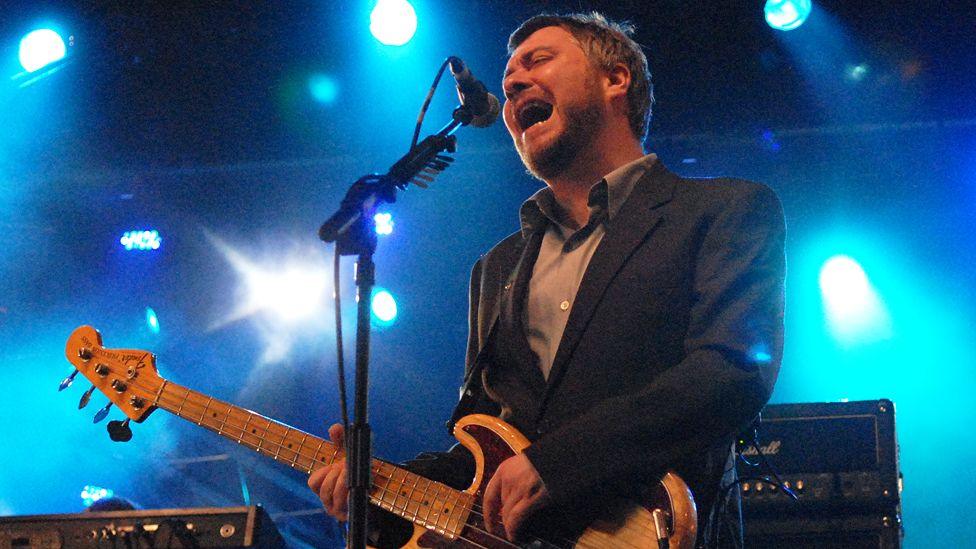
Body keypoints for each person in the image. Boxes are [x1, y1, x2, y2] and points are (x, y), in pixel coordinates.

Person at [309, 11, 785, 548]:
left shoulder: (723, 209)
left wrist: (558, 464)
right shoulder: (496, 268)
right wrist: (375, 491)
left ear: (615, 79)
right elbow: (483, 452)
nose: (511, 83)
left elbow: (733, 370)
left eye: (538, 60)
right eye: (509, 76)